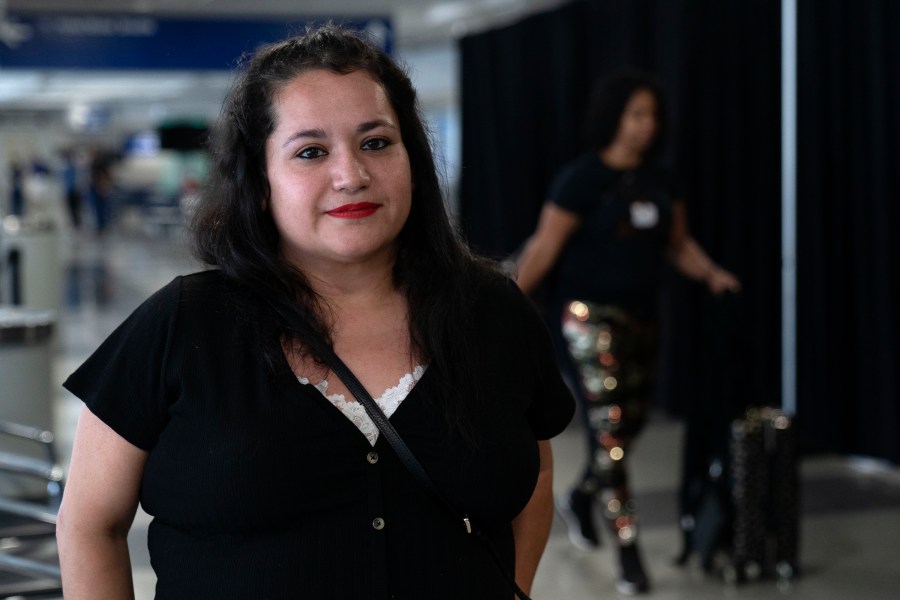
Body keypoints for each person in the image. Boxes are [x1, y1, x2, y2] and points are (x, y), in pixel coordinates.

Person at [55, 25, 574, 599]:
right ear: (259, 183)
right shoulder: (183, 325)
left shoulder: (492, 312)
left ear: (412, 157)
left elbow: (536, 470)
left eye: (376, 142)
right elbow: (89, 524)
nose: (351, 175)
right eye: (310, 152)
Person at [514, 70, 740, 595]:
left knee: (625, 432)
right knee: (611, 434)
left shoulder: (662, 181)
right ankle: (629, 549)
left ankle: (581, 497)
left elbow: (678, 243)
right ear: (614, 116)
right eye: (636, 114)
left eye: (652, 116)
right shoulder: (582, 178)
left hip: (643, 320)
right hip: (588, 319)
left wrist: (710, 273)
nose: (645, 126)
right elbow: (543, 249)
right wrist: (501, 305)